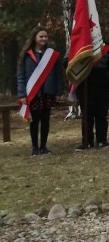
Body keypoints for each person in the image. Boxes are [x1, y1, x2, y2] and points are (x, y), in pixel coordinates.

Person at [16, 27, 64, 156]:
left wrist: (59, 92)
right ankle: (35, 147)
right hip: (33, 93)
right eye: (41, 36)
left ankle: (44, 146)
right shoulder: (26, 55)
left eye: (45, 36)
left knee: (45, 120)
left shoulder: (51, 55)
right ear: (35, 38)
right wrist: (22, 94)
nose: (43, 39)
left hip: (48, 92)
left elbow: (59, 75)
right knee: (34, 121)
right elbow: (21, 76)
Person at [76, 39, 109, 150]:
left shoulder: (108, 49)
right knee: (86, 114)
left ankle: (102, 140)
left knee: (101, 114)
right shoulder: (78, 46)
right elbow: (67, 62)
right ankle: (87, 141)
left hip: (102, 85)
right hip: (84, 84)